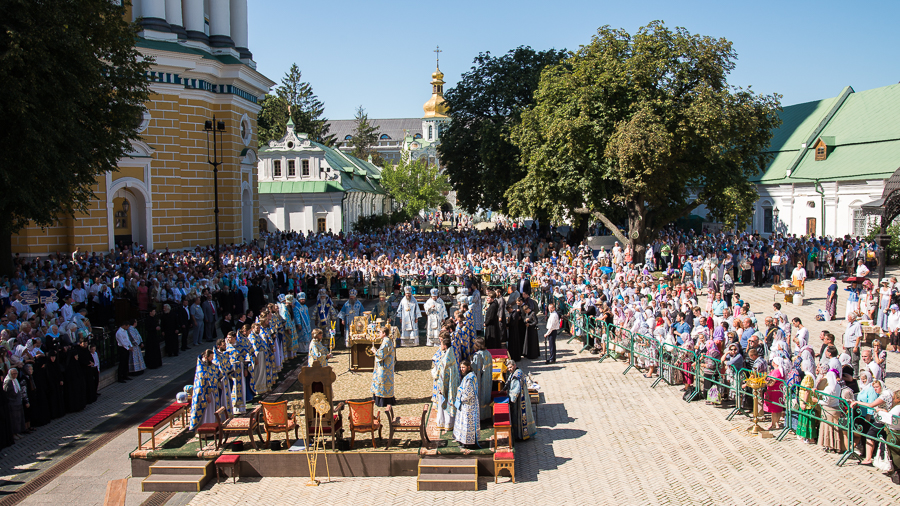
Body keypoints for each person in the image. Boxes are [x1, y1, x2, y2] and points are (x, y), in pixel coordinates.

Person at [432, 336, 459, 432]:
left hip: (445, 384)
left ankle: (445, 423)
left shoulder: (446, 359)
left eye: (441, 344)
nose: (440, 346)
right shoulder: (450, 354)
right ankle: (450, 422)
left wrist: (440, 386)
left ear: (445, 345)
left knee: (444, 402)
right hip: (452, 383)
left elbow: (442, 373)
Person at [188, 349, 219, 431]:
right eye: (211, 357)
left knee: (211, 413)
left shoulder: (210, 366)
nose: (212, 359)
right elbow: (201, 386)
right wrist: (206, 396)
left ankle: (211, 429)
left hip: (211, 393)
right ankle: (204, 431)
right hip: (203, 396)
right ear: (206, 357)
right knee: (205, 414)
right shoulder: (201, 369)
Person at [506, 359, 537, 441]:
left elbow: (515, 391)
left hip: (519, 401)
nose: (509, 369)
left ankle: (520, 436)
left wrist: (509, 399)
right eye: (508, 368)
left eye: (511, 367)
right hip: (524, 398)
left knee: (518, 417)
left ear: (514, 366)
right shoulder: (519, 371)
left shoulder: (516, 376)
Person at [453, 359, 479, 449]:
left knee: (468, 425)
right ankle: (464, 440)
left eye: (463, 367)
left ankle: (468, 442)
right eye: (460, 367)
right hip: (466, 405)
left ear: (468, 367)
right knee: (464, 424)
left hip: (469, 406)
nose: (461, 369)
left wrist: (459, 396)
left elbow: (468, 394)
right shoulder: (469, 376)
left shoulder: (470, 378)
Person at [371, 326, 396, 407]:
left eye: (380, 332)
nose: (379, 334)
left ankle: (383, 400)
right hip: (385, 366)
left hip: (385, 367)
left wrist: (375, 351)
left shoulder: (386, 342)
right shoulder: (386, 340)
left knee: (383, 382)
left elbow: (381, 354)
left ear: (384, 333)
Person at [470, 338, 493, 420]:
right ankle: (487, 414)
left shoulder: (478, 355)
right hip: (488, 378)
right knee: (486, 395)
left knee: (480, 397)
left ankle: (480, 416)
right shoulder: (488, 353)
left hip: (481, 380)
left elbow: (475, 369)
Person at [3, 368, 26, 439]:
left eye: (16, 374)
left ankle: (17, 432)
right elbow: (6, 393)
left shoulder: (15, 380)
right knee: (13, 420)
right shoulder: (8, 382)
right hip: (12, 404)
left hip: (18, 403)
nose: (15, 375)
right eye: (13, 374)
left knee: (18, 419)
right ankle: (13, 434)